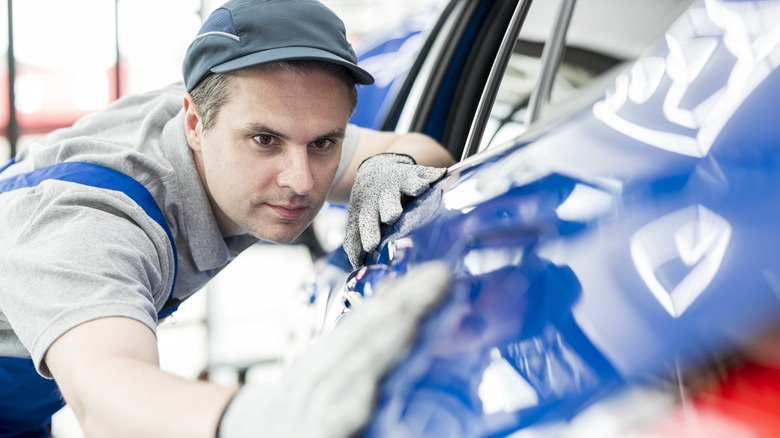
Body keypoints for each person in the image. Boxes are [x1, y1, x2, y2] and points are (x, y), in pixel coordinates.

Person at [0, 0, 455, 435]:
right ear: (195, 125)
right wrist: (276, 418)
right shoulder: (87, 223)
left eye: (323, 144)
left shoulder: (242, 109)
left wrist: (387, 167)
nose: (300, 181)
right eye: (264, 141)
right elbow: (107, 402)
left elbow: (424, 152)